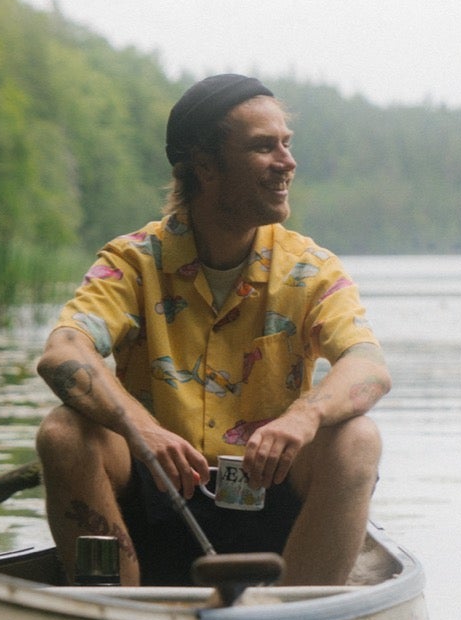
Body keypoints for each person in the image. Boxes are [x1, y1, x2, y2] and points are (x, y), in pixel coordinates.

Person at [35, 73, 391, 586]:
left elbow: (369, 367)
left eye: (286, 145)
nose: (287, 163)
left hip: (273, 498)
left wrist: (302, 418)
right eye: (263, 148)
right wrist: (143, 430)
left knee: (357, 438)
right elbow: (63, 352)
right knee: (64, 433)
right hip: (155, 497)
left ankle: (295, 614)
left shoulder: (312, 268)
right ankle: (117, 612)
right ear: (205, 166)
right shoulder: (133, 261)